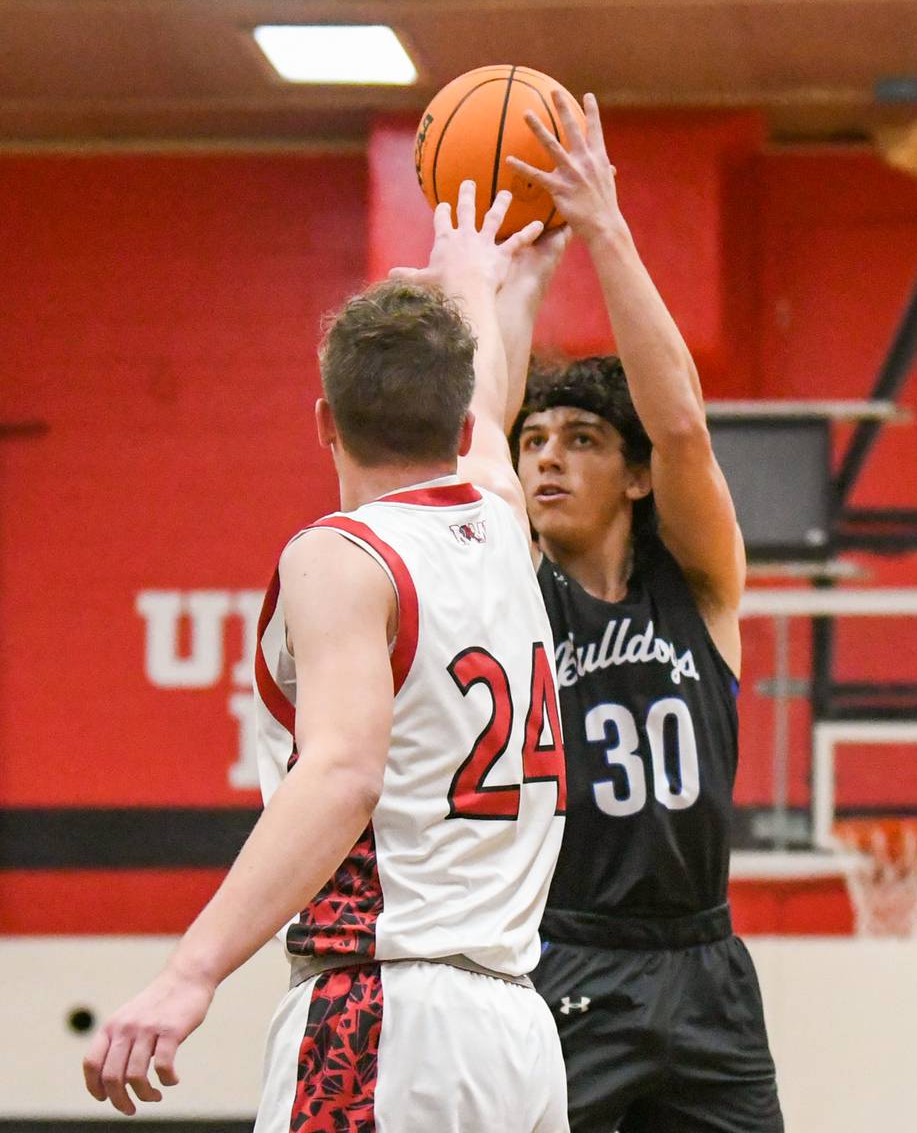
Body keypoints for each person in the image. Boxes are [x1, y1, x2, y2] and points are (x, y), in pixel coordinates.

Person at [83, 186, 570, 1132]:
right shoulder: (501, 517)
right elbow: (489, 411)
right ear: (459, 422)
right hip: (516, 1036)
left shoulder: (342, 554)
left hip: (383, 1015)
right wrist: (476, 278)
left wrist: (191, 972)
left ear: (323, 421)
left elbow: (344, 770)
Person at [474, 90, 785, 1132]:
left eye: (582, 440)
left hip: (706, 963)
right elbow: (476, 443)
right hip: (565, 952)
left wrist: (605, 227)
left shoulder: (697, 586)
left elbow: (684, 428)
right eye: (538, 441)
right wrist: (516, 292)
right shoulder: (516, 592)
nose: (549, 456)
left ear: (635, 478)